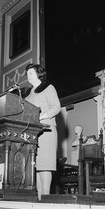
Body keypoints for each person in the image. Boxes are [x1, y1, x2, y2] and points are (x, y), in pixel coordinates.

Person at [24, 63, 61, 200]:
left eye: (31, 73)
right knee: (37, 167)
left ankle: (45, 200)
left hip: (46, 132)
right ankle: (39, 201)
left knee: (44, 165)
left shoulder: (48, 87)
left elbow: (56, 107)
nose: (28, 76)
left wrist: (41, 116)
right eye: (27, 74)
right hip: (33, 133)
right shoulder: (27, 94)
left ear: (39, 74)